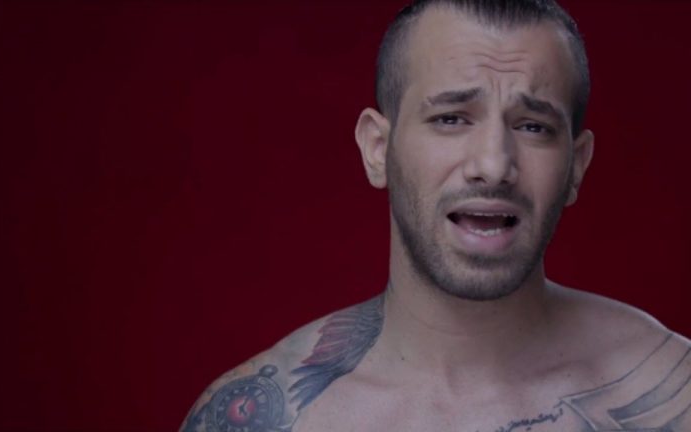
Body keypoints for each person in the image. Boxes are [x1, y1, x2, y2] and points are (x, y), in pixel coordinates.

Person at [180, 1, 691, 431]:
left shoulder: (673, 394)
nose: (494, 165)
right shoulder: (264, 418)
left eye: (533, 126)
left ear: (576, 166)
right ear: (377, 149)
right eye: (451, 118)